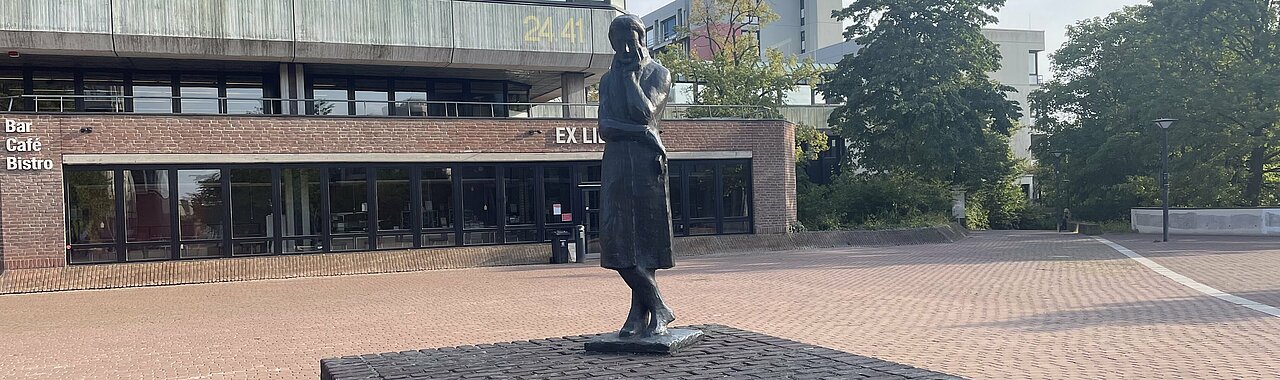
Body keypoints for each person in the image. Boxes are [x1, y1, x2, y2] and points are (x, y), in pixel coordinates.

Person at [597, 14, 676, 338]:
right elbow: (605, 128)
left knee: (646, 240)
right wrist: (641, 133)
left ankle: (637, 316)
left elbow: (647, 112)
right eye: (619, 44)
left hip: (646, 165)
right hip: (617, 162)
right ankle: (659, 307)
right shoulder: (605, 80)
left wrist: (630, 80)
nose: (626, 49)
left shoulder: (660, 73)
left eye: (631, 41)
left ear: (642, 39)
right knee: (616, 243)